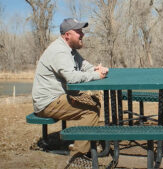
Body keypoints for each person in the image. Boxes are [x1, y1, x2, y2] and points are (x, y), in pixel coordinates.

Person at [32, 18, 108, 164]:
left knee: (94, 101)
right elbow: (72, 78)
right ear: (67, 35)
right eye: (78, 31)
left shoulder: (69, 49)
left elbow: (84, 65)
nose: (82, 34)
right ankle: (78, 157)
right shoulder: (59, 51)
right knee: (90, 111)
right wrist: (95, 75)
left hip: (58, 97)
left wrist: (95, 69)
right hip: (47, 102)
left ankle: (88, 144)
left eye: (82, 30)